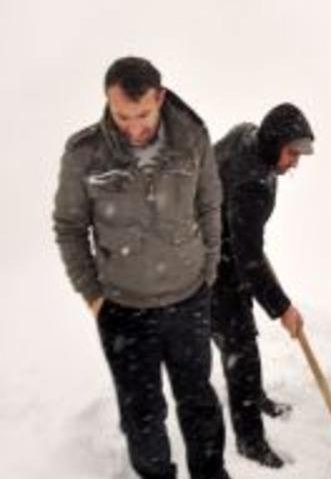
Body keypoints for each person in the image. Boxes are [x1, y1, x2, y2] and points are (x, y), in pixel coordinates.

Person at [52, 56, 230, 479]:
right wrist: (93, 296)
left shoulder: (192, 137)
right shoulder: (85, 154)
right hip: (122, 308)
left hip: (188, 299)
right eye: (121, 115)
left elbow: (209, 203)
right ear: (108, 104)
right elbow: (69, 227)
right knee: (142, 412)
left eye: (144, 114)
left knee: (199, 401)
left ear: (160, 98)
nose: (133, 127)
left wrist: (206, 271)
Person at [210, 103, 313, 468]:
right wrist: (282, 308)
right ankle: (250, 443)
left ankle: (252, 394)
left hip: (219, 244)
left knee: (238, 330)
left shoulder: (247, 133)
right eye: (292, 153)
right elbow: (248, 257)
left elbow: (246, 243)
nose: (295, 162)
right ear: (272, 143)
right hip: (204, 262)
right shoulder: (251, 185)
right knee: (240, 347)